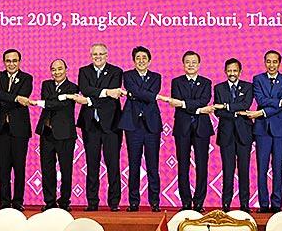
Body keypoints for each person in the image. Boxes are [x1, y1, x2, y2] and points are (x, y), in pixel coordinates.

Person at [161, 51, 212, 212]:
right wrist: (196, 108)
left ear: (199, 64)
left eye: (194, 62)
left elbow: (204, 100)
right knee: (183, 165)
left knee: (202, 165)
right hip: (182, 127)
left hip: (202, 128)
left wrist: (184, 104)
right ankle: (185, 202)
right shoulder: (176, 82)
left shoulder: (206, 82)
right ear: (183, 65)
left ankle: (199, 202)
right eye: (188, 62)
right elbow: (176, 101)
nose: (191, 65)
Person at [0, 49, 33, 212]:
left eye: (14, 60)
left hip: (20, 128)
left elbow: (22, 99)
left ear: (19, 62)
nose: (11, 63)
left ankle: (18, 201)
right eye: (8, 61)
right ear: (4, 62)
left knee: (19, 166)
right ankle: (4, 201)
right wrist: (15, 97)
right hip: (2, 127)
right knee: (3, 166)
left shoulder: (27, 78)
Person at [77, 43, 124, 212]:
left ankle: (114, 202)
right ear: (91, 56)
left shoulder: (116, 71)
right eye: (94, 54)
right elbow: (85, 89)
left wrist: (90, 99)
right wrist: (106, 92)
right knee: (92, 165)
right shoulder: (84, 71)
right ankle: (92, 202)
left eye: (101, 54)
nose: (98, 57)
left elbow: (113, 96)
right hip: (90, 125)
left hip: (111, 125)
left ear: (107, 55)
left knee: (113, 165)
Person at [247, 50, 282, 213]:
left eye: (275, 61)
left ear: (279, 63)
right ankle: (264, 204)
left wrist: (265, 110)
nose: (271, 64)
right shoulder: (257, 79)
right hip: (262, 130)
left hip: (280, 130)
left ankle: (277, 204)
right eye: (268, 61)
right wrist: (281, 101)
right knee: (261, 168)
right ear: (264, 62)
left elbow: (279, 105)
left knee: (278, 168)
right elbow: (261, 100)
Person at [31, 59, 78, 212]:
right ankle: (49, 201)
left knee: (65, 169)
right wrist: (57, 98)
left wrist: (42, 102)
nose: (56, 72)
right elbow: (49, 100)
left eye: (59, 69)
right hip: (47, 133)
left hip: (65, 134)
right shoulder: (46, 85)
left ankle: (64, 202)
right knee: (47, 169)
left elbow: (57, 104)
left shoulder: (72, 87)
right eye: (53, 69)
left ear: (66, 69)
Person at [118, 46, 162, 212]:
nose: (141, 60)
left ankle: (155, 202)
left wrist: (134, 95)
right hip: (133, 126)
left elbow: (142, 93)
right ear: (134, 61)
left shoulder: (157, 77)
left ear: (149, 61)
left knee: (153, 165)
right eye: (138, 58)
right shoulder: (127, 75)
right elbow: (140, 92)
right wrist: (137, 94)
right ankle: (134, 202)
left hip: (151, 126)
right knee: (134, 164)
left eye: (144, 58)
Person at [212, 58, 253, 213]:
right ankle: (226, 204)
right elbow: (217, 111)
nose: (232, 73)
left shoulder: (248, 87)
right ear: (225, 71)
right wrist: (235, 112)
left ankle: (244, 204)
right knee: (228, 171)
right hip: (226, 134)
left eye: (235, 70)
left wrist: (227, 106)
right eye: (229, 70)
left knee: (244, 170)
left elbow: (246, 104)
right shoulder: (219, 88)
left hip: (244, 134)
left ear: (240, 72)